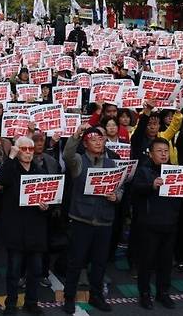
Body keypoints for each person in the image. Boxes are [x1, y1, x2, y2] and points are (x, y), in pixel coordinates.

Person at [62, 125, 122, 314]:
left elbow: (120, 188)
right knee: (75, 261)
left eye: (101, 139)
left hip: (104, 220)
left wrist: (116, 196)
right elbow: (67, 155)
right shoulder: (79, 161)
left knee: (100, 262)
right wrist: (77, 134)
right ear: (86, 144)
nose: (98, 142)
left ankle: (97, 296)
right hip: (82, 219)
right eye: (93, 139)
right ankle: (69, 298)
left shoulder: (112, 164)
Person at [132, 138, 183, 309]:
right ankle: (144, 294)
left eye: (166, 151)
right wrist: (150, 185)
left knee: (166, 262)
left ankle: (163, 293)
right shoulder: (143, 171)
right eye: (159, 151)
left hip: (170, 224)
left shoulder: (175, 172)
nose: (163, 154)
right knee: (147, 262)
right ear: (151, 153)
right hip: (149, 224)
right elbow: (135, 190)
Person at [0, 137, 48, 315]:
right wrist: (11, 157)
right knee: (14, 271)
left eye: (31, 149)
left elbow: (51, 196)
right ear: (17, 150)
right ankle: (11, 304)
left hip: (35, 228)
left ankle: (31, 302)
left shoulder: (40, 170)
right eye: (23, 149)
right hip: (15, 228)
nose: (28, 152)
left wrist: (46, 206)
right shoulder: (11, 168)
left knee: (35, 270)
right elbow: (1, 180)